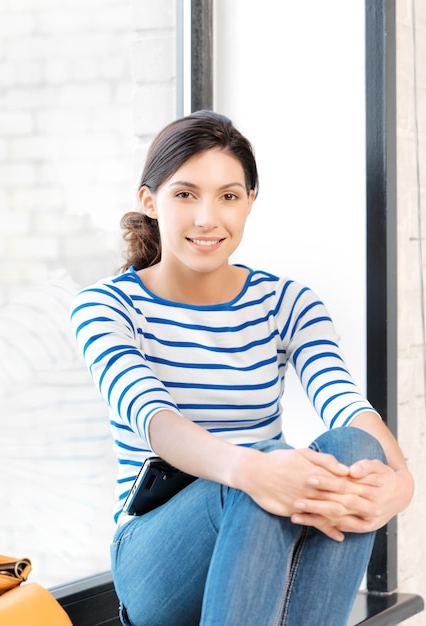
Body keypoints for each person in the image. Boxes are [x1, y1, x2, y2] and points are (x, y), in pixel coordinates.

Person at [70, 110, 414, 626]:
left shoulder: (286, 301)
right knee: (263, 467)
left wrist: (401, 482)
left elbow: (342, 400)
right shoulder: (107, 307)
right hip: (156, 558)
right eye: (185, 194)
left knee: (357, 452)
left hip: (259, 539)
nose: (208, 218)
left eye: (228, 196)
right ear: (149, 201)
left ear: (250, 202)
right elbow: (154, 421)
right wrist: (254, 468)